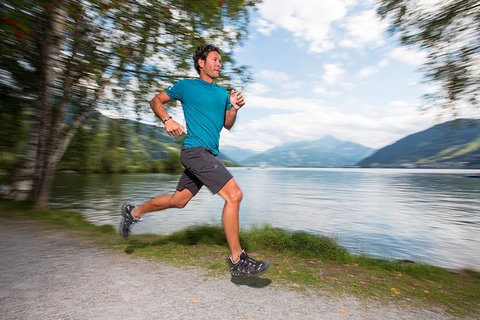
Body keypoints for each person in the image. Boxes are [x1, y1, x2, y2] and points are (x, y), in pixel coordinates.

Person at [119, 44, 269, 277]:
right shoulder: (186, 86)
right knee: (234, 195)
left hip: (208, 154)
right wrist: (167, 119)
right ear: (201, 62)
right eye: (214, 59)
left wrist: (235, 108)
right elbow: (156, 101)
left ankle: (134, 212)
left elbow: (227, 124)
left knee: (178, 200)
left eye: (221, 61)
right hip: (194, 151)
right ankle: (237, 259)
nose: (219, 64)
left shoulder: (221, 93)